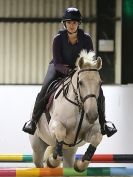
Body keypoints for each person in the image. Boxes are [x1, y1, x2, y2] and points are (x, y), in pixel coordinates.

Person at [23, 7, 117, 137]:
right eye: (69, 22)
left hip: (80, 70)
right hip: (59, 68)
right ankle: (33, 121)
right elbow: (57, 62)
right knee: (45, 89)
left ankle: (103, 123)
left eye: (74, 22)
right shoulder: (58, 39)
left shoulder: (86, 38)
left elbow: (90, 59)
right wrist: (68, 70)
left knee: (98, 91)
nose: (71, 25)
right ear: (65, 24)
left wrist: (83, 71)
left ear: (78, 23)